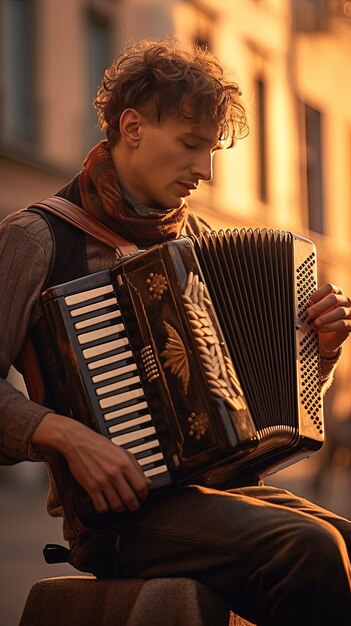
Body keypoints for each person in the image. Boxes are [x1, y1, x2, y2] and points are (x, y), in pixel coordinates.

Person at [0, 38, 350, 625]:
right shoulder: (36, 238)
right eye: (191, 145)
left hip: (217, 496)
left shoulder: (202, 243)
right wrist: (62, 433)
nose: (205, 171)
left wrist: (320, 349)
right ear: (132, 127)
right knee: (307, 550)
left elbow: (252, 404)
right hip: (118, 517)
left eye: (211, 150)